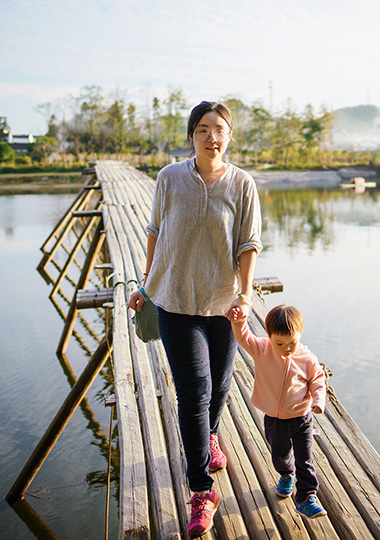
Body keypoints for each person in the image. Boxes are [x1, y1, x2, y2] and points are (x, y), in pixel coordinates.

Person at [129, 100, 261, 537]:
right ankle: (201, 489)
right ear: (192, 136)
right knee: (194, 392)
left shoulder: (242, 184)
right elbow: (154, 231)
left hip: (224, 304)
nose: (211, 136)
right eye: (202, 129)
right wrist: (146, 286)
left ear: (229, 137)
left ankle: (211, 436)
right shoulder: (169, 178)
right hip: (175, 302)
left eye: (219, 129)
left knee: (221, 385)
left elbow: (248, 243)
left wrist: (244, 293)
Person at [226, 303, 328, 518]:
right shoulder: (263, 349)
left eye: (292, 342)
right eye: (280, 343)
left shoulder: (307, 359)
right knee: (280, 456)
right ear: (269, 336)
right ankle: (286, 475)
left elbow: (318, 380)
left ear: (300, 335)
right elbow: (244, 338)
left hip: (302, 419)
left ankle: (306, 497)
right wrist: (238, 321)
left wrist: (318, 400)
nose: (287, 348)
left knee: (305, 459)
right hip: (274, 420)